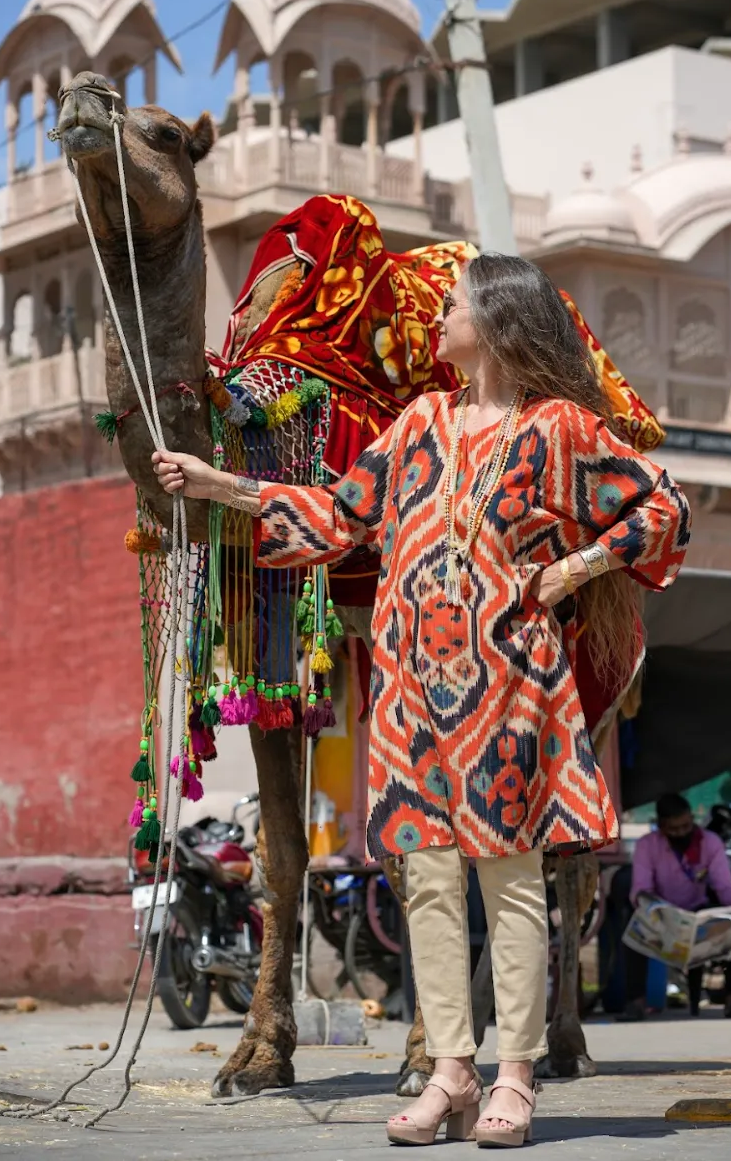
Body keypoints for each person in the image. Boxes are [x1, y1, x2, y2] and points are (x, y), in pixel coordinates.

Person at [152, 253, 691, 1148]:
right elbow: (338, 515)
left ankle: (515, 1077)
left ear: (501, 322)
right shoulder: (418, 422)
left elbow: (661, 508)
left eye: (453, 307)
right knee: (430, 884)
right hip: (407, 690)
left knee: (510, 885)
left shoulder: (559, 429)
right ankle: (452, 1074)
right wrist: (223, 488)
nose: (437, 320)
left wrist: (567, 571)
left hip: (510, 686)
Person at [621, 792, 731, 1021]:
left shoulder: (709, 842)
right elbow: (641, 888)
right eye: (675, 829)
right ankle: (635, 1003)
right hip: (663, 913)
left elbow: (724, 887)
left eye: (686, 825)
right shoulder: (648, 845)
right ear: (662, 827)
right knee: (633, 933)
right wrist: (655, 907)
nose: (682, 833)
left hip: (699, 911)